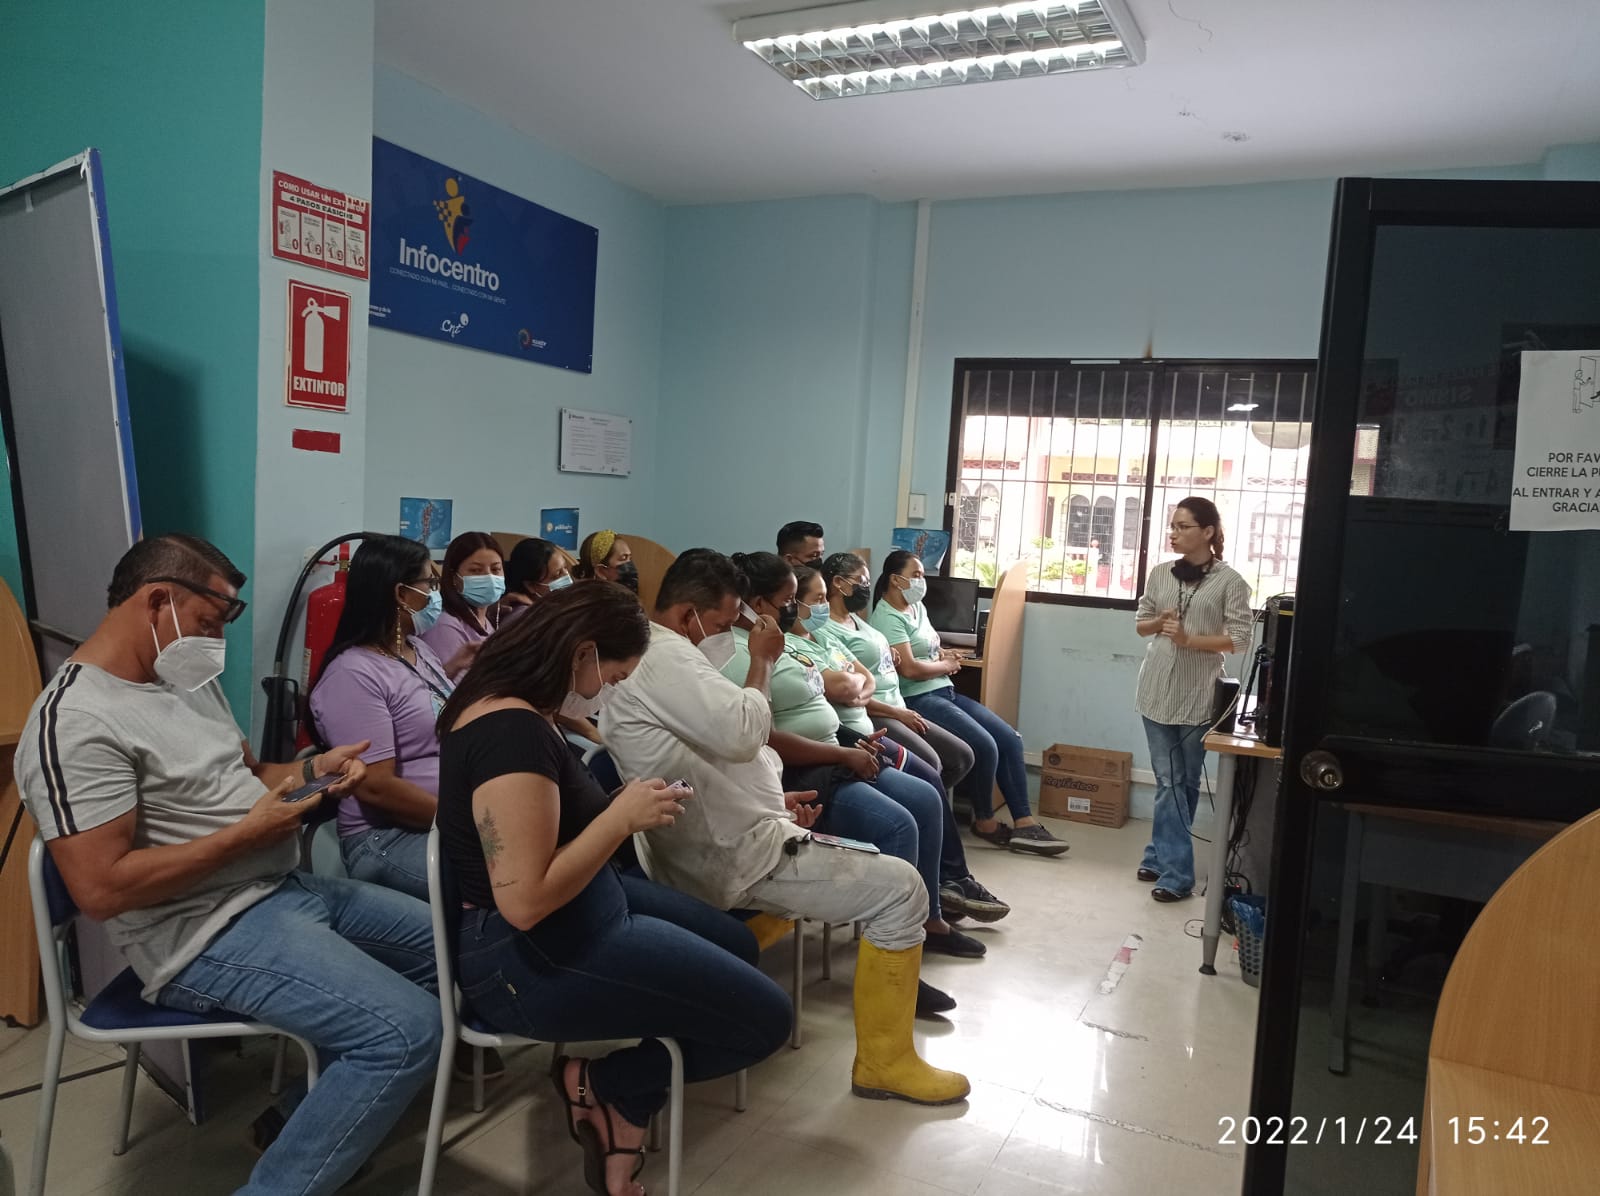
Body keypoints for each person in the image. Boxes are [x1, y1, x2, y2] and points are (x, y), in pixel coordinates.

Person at [14, 534, 440, 1196]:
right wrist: (247, 836)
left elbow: (250, 775)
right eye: (210, 622)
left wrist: (312, 772)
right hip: (201, 933)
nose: (215, 642)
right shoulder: (76, 721)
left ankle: (303, 1121)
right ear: (158, 601)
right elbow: (100, 889)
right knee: (407, 1033)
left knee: (450, 950)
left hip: (277, 886)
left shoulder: (183, 680)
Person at [436, 582, 792, 1196]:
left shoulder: (520, 707)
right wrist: (618, 820)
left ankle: (621, 1093)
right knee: (767, 1021)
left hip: (585, 910)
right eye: (616, 675)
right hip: (528, 960)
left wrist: (621, 809)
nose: (610, 690)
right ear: (583, 653)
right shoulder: (510, 734)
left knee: (737, 943)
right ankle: (613, 1086)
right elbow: (524, 901)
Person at [601, 548, 970, 1107]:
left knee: (893, 856)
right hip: (733, 853)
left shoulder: (673, 656)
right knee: (902, 889)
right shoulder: (666, 659)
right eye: (724, 624)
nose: (730, 635)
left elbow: (712, 758)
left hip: (747, 830)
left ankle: (881, 1052)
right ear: (688, 615)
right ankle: (885, 1062)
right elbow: (744, 734)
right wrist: (762, 661)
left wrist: (772, 799)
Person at [724, 552, 983, 960]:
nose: (795, 609)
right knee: (899, 824)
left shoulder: (778, 642)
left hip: (838, 748)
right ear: (757, 604)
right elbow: (765, 736)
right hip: (807, 771)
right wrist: (843, 754)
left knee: (926, 796)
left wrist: (850, 743)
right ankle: (893, 954)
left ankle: (930, 918)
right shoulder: (743, 655)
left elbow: (836, 692)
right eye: (789, 600)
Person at [810, 556, 1010, 924]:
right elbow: (852, 690)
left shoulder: (859, 621)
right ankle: (949, 878)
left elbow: (866, 678)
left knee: (965, 756)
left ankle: (942, 866)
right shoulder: (824, 633)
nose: (867, 586)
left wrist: (873, 679)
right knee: (932, 772)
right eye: (861, 580)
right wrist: (889, 705)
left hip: (892, 706)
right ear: (838, 584)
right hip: (875, 719)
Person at [871, 550, 1068, 857]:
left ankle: (1025, 823)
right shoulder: (886, 617)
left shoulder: (916, 607)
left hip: (943, 690)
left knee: (1009, 739)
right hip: (918, 697)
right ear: (896, 580)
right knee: (985, 745)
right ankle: (985, 822)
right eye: (916, 575)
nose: (922, 581)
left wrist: (943, 656)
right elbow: (909, 669)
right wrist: (946, 665)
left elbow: (929, 647)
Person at [309, 534, 461, 901]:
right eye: (430, 583)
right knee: (508, 881)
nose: (436, 594)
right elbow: (375, 787)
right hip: (388, 837)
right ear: (401, 593)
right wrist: (463, 824)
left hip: (441, 823)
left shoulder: (418, 650)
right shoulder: (353, 674)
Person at [1134, 497, 1253, 902]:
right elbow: (1141, 625)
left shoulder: (1230, 582)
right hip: (1155, 690)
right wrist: (1160, 621)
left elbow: (1240, 639)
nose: (1173, 533)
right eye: (1172, 526)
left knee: (1181, 781)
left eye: (1183, 526)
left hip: (1197, 694)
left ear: (1208, 532)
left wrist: (1189, 639)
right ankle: (1175, 872)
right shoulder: (1160, 573)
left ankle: (1160, 857)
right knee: (1169, 780)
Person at [420, 531, 506, 678]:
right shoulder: (444, 624)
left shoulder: (486, 621)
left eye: (495, 569)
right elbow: (454, 685)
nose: (489, 577)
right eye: (476, 570)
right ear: (454, 577)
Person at [503, 536, 575, 609]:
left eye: (565, 567)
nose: (567, 576)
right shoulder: (523, 613)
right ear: (530, 586)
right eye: (557, 574)